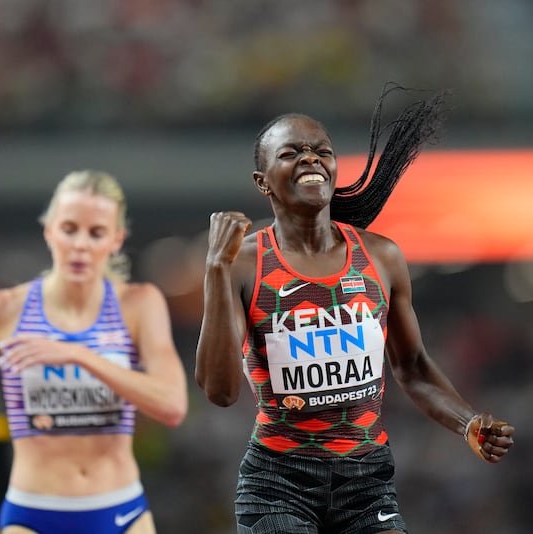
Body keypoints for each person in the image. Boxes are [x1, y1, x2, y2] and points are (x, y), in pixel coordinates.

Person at [195, 84, 516, 534]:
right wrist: (215, 268)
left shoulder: (382, 257)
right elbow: (221, 391)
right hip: (278, 480)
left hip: (367, 480)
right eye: (291, 153)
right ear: (262, 181)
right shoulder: (243, 264)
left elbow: (414, 368)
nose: (309, 159)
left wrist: (468, 422)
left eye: (320, 151)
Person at [0, 169, 188, 534]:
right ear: (49, 230)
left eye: (96, 232)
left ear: (116, 239)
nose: (80, 244)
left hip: (120, 510)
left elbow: (172, 405)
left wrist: (78, 355)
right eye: (69, 229)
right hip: (34, 512)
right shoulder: (2, 309)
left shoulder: (139, 304)